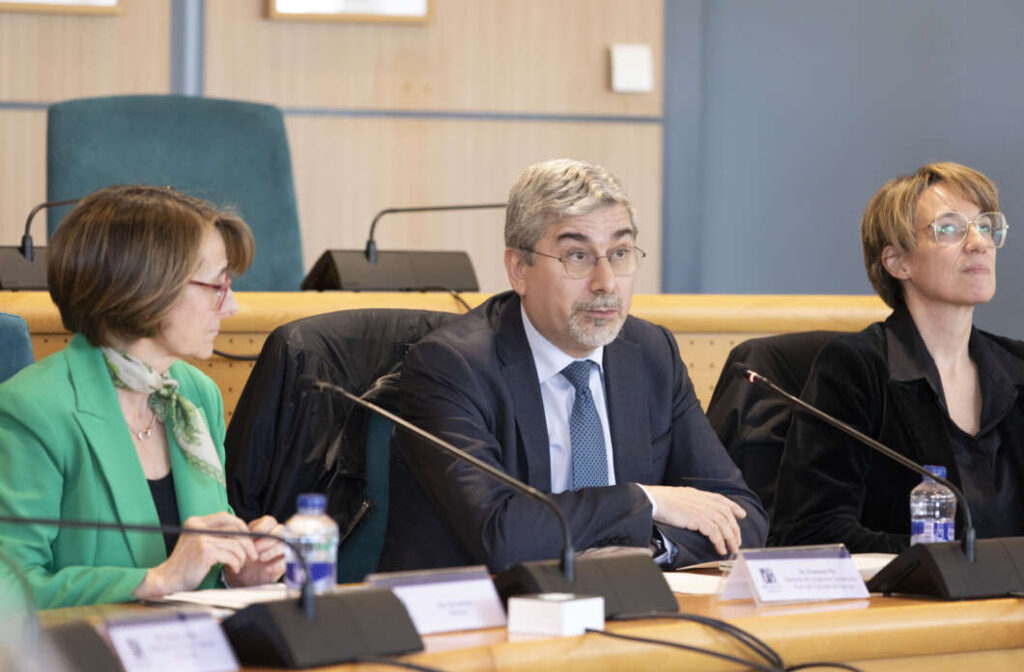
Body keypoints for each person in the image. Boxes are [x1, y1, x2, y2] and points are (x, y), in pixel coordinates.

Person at [379, 159, 768, 573]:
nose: (606, 282)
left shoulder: (651, 354)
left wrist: (648, 546)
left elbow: (743, 518)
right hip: (483, 607)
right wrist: (645, 501)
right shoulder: (453, 367)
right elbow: (500, 534)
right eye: (578, 256)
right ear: (518, 269)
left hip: (628, 604)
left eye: (620, 253)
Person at [0, 185, 286, 608]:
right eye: (216, 285)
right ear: (147, 289)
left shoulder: (195, 395)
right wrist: (154, 580)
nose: (232, 308)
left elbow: (196, 571)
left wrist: (237, 573)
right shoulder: (33, 409)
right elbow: (9, 590)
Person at [772, 162, 1024, 553]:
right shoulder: (856, 370)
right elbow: (811, 531)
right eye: (950, 229)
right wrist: (945, 562)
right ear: (897, 262)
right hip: (909, 591)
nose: (979, 243)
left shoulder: (1017, 367)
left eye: (985, 226)